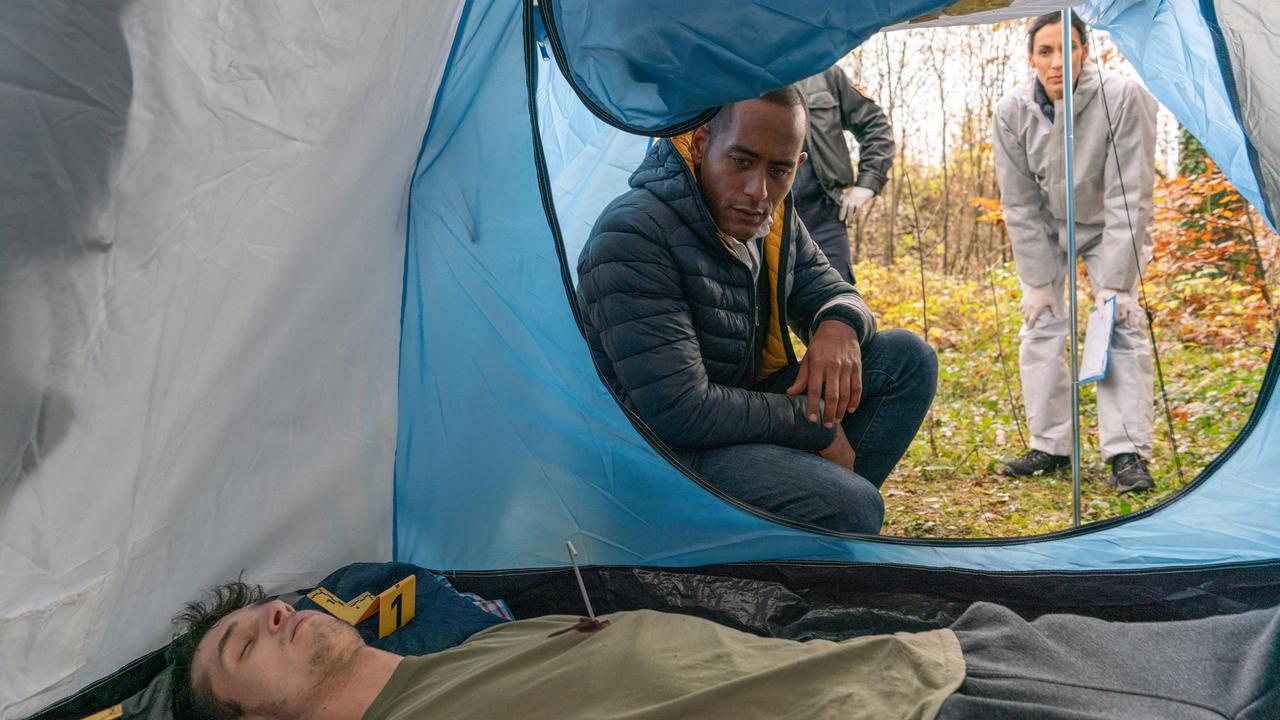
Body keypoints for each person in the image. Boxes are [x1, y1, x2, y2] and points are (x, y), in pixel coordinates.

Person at [576, 86, 936, 535]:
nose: (758, 190)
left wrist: (838, 323)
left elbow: (832, 291)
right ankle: (812, 527)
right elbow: (679, 410)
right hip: (656, 454)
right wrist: (818, 429)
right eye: (741, 161)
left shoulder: (771, 217)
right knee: (853, 505)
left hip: (735, 418)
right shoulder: (634, 232)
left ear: (798, 167)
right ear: (703, 143)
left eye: (779, 169)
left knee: (905, 359)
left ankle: (807, 535)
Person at [170, 579, 1280, 719]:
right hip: (895, 713)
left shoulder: (434, 659)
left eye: (262, 608)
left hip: (902, 656)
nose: (272, 617)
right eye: (238, 647)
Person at [993, 12, 1158, 492]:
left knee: (1118, 325)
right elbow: (1019, 203)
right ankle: (1051, 445)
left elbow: (1130, 194)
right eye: (1045, 51)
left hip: (1110, 225)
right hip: (1047, 226)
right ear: (1031, 59)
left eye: (1066, 49)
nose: (1056, 62)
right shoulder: (1011, 111)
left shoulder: (1124, 98)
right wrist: (1039, 282)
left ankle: (1126, 452)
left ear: (1086, 51)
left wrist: (1117, 283)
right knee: (1041, 323)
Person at [794, 64, 895, 283]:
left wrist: (867, 183)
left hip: (824, 218)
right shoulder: (740, 69)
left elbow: (875, 125)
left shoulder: (825, 72)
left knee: (838, 308)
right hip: (760, 223)